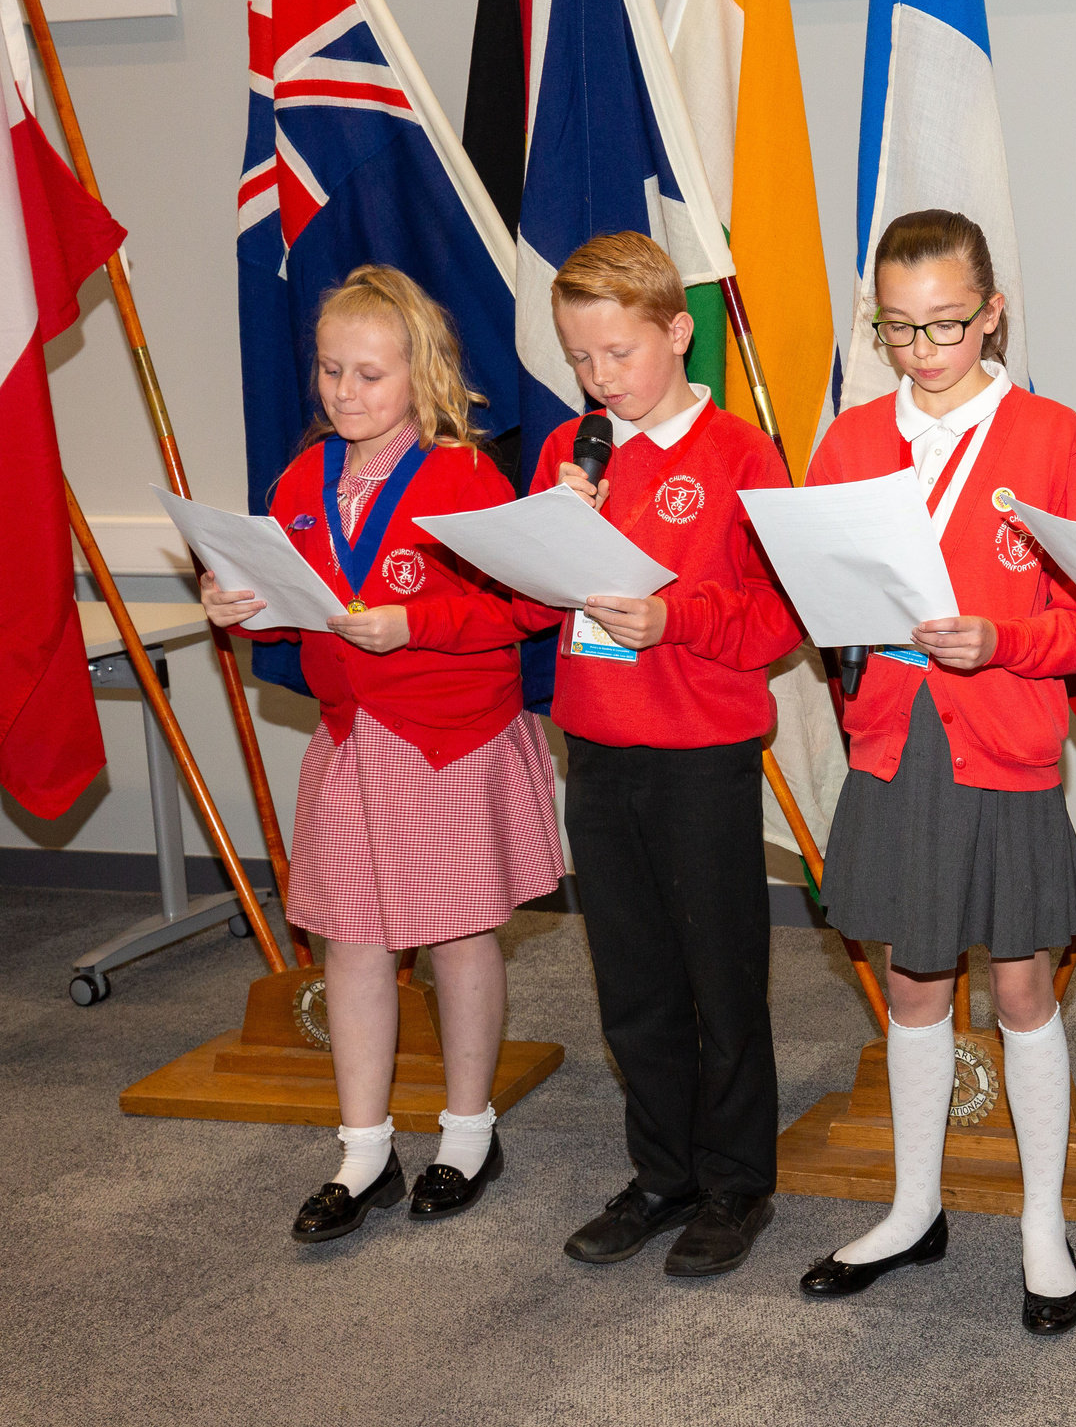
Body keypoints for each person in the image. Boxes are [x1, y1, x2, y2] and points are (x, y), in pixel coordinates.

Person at [201, 264, 564, 1244]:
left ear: (422, 374)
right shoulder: (302, 478)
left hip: (446, 739)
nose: (345, 393)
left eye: (369, 375)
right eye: (330, 372)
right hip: (353, 737)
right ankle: (363, 1150)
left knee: (455, 936)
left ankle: (467, 1133)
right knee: (351, 943)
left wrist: (417, 625)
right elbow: (286, 590)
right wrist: (233, 602)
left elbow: (521, 607)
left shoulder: (464, 475)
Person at [797, 209, 1076, 1335]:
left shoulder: (1049, 437)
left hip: (1004, 739)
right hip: (895, 742)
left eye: (946, 324)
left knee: (1022, 988)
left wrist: (1006, 641)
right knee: (916, 985)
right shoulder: (847, 439)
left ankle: (1039, 1222)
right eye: (897, 327)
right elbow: (821, 602)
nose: (923, 349)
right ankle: (913, 1206)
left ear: (993, 311)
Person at [534, 231, 804, 1279]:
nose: (602, 380)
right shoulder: (577, 449)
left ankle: (737, 1183)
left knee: (717, 975)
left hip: (701, 750)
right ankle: (662, 1172)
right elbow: (527, 601)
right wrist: (554, 535)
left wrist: (672, 617)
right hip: (597, 746)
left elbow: (778, 616)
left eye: (621, 355)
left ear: (678, 333)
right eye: (582, 360)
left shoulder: (740, 454)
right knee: (632, 979)